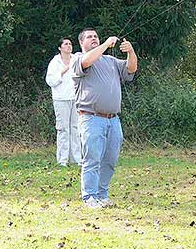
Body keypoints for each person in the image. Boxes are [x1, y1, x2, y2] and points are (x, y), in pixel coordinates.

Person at [71, 28, 138, 208]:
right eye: (89, 37)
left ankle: (102, 194)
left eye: (96, 36)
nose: (93, 39)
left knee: (110, 160)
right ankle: (89, 197)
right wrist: (105, 44)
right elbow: (87, 61)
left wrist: (131, 51)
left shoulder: (111, 61)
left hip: (113, 120)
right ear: (81, 43)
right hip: (91, 119)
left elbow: (131, 69)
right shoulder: (77, 58)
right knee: (92, 159)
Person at [45, 38, 82, 167]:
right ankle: (62, 159)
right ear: (60, 48)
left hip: (75, 98)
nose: (68, 46)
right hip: (61, 99)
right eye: (65, 44)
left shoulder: (76, 58)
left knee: (75, 128)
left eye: (70, 44)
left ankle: (76, 158)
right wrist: (63, 71)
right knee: (63, 129)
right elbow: (50, 81)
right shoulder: (55, 62)